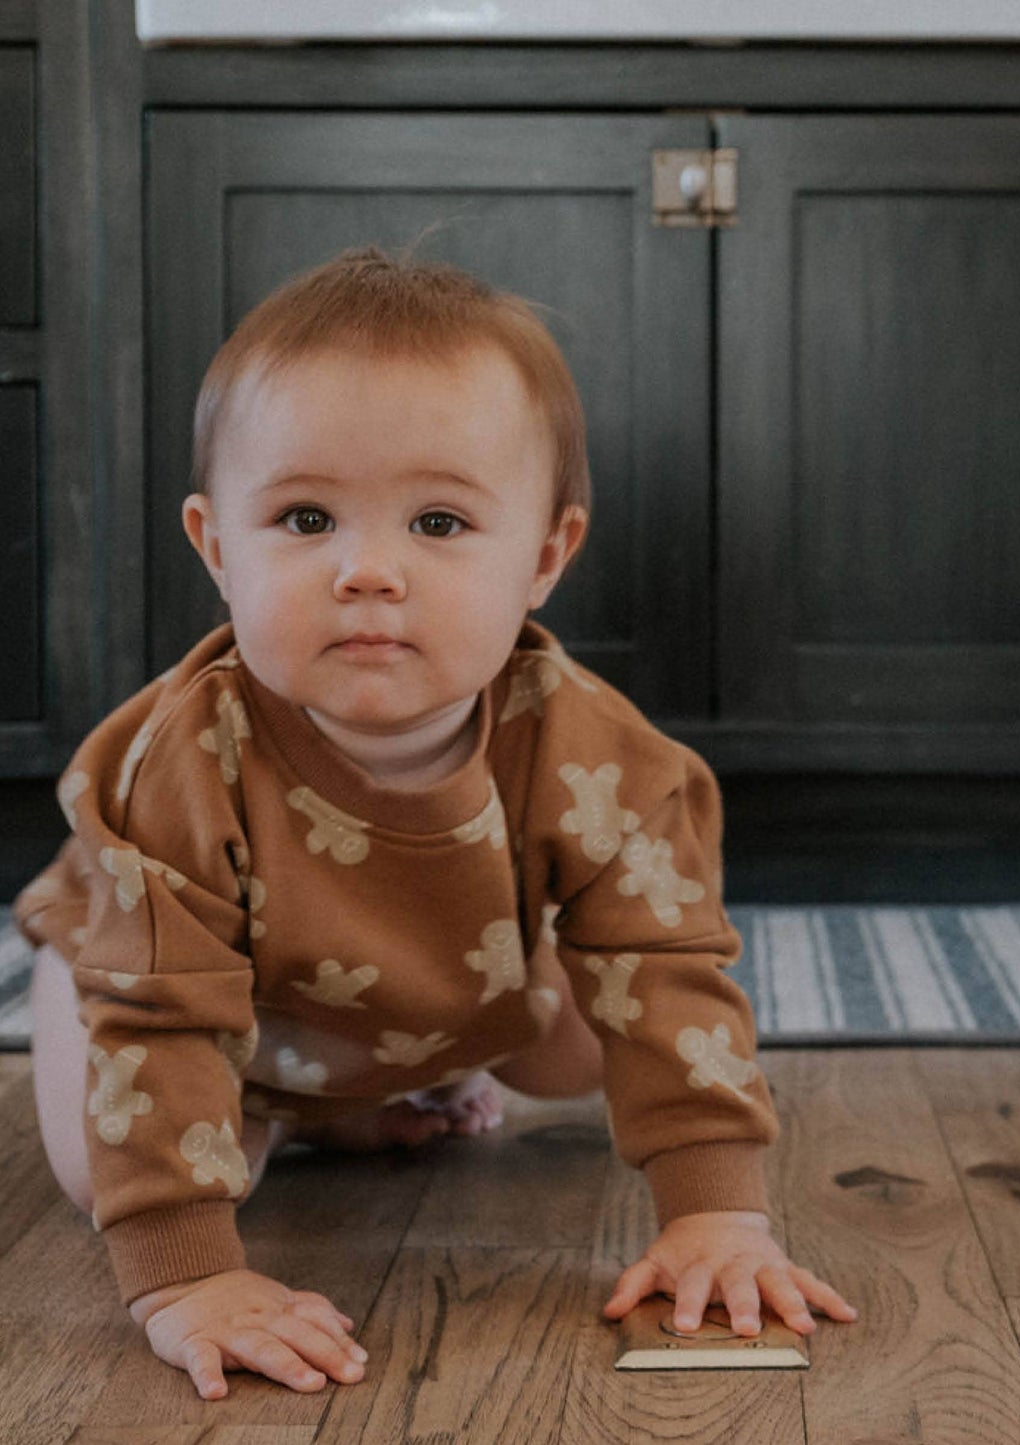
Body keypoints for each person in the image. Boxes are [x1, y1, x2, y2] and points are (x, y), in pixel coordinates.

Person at [15, 246, 856, 1400]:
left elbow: (667, 968)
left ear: (545, 556)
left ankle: (355, 1097)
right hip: (168, 979)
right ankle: (293, 1106)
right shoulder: (176, 766)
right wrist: (187, 1276)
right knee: (93, 1160)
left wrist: (716, 1208)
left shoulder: (600, 756)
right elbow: (159, 1024)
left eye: (440, 522)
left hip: (421, 976)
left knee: (575, 1051)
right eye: (305, 517)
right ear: (217, 548)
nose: (368, 569)